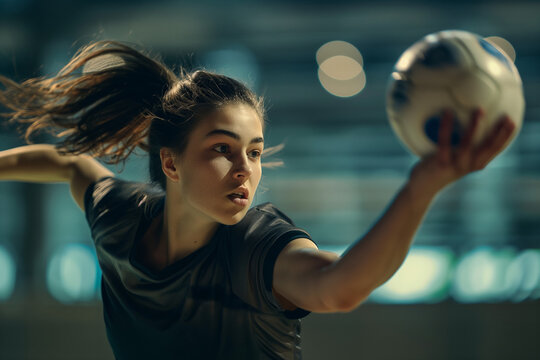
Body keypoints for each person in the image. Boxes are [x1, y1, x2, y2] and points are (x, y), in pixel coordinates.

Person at [0, 41, 516, 360]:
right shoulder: (119, 220)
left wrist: (421, 186)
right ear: (170, 163)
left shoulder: (256, 247)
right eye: (222, 150)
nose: (245, 169)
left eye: (255, 151)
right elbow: (69, 164)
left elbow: (339, 288)